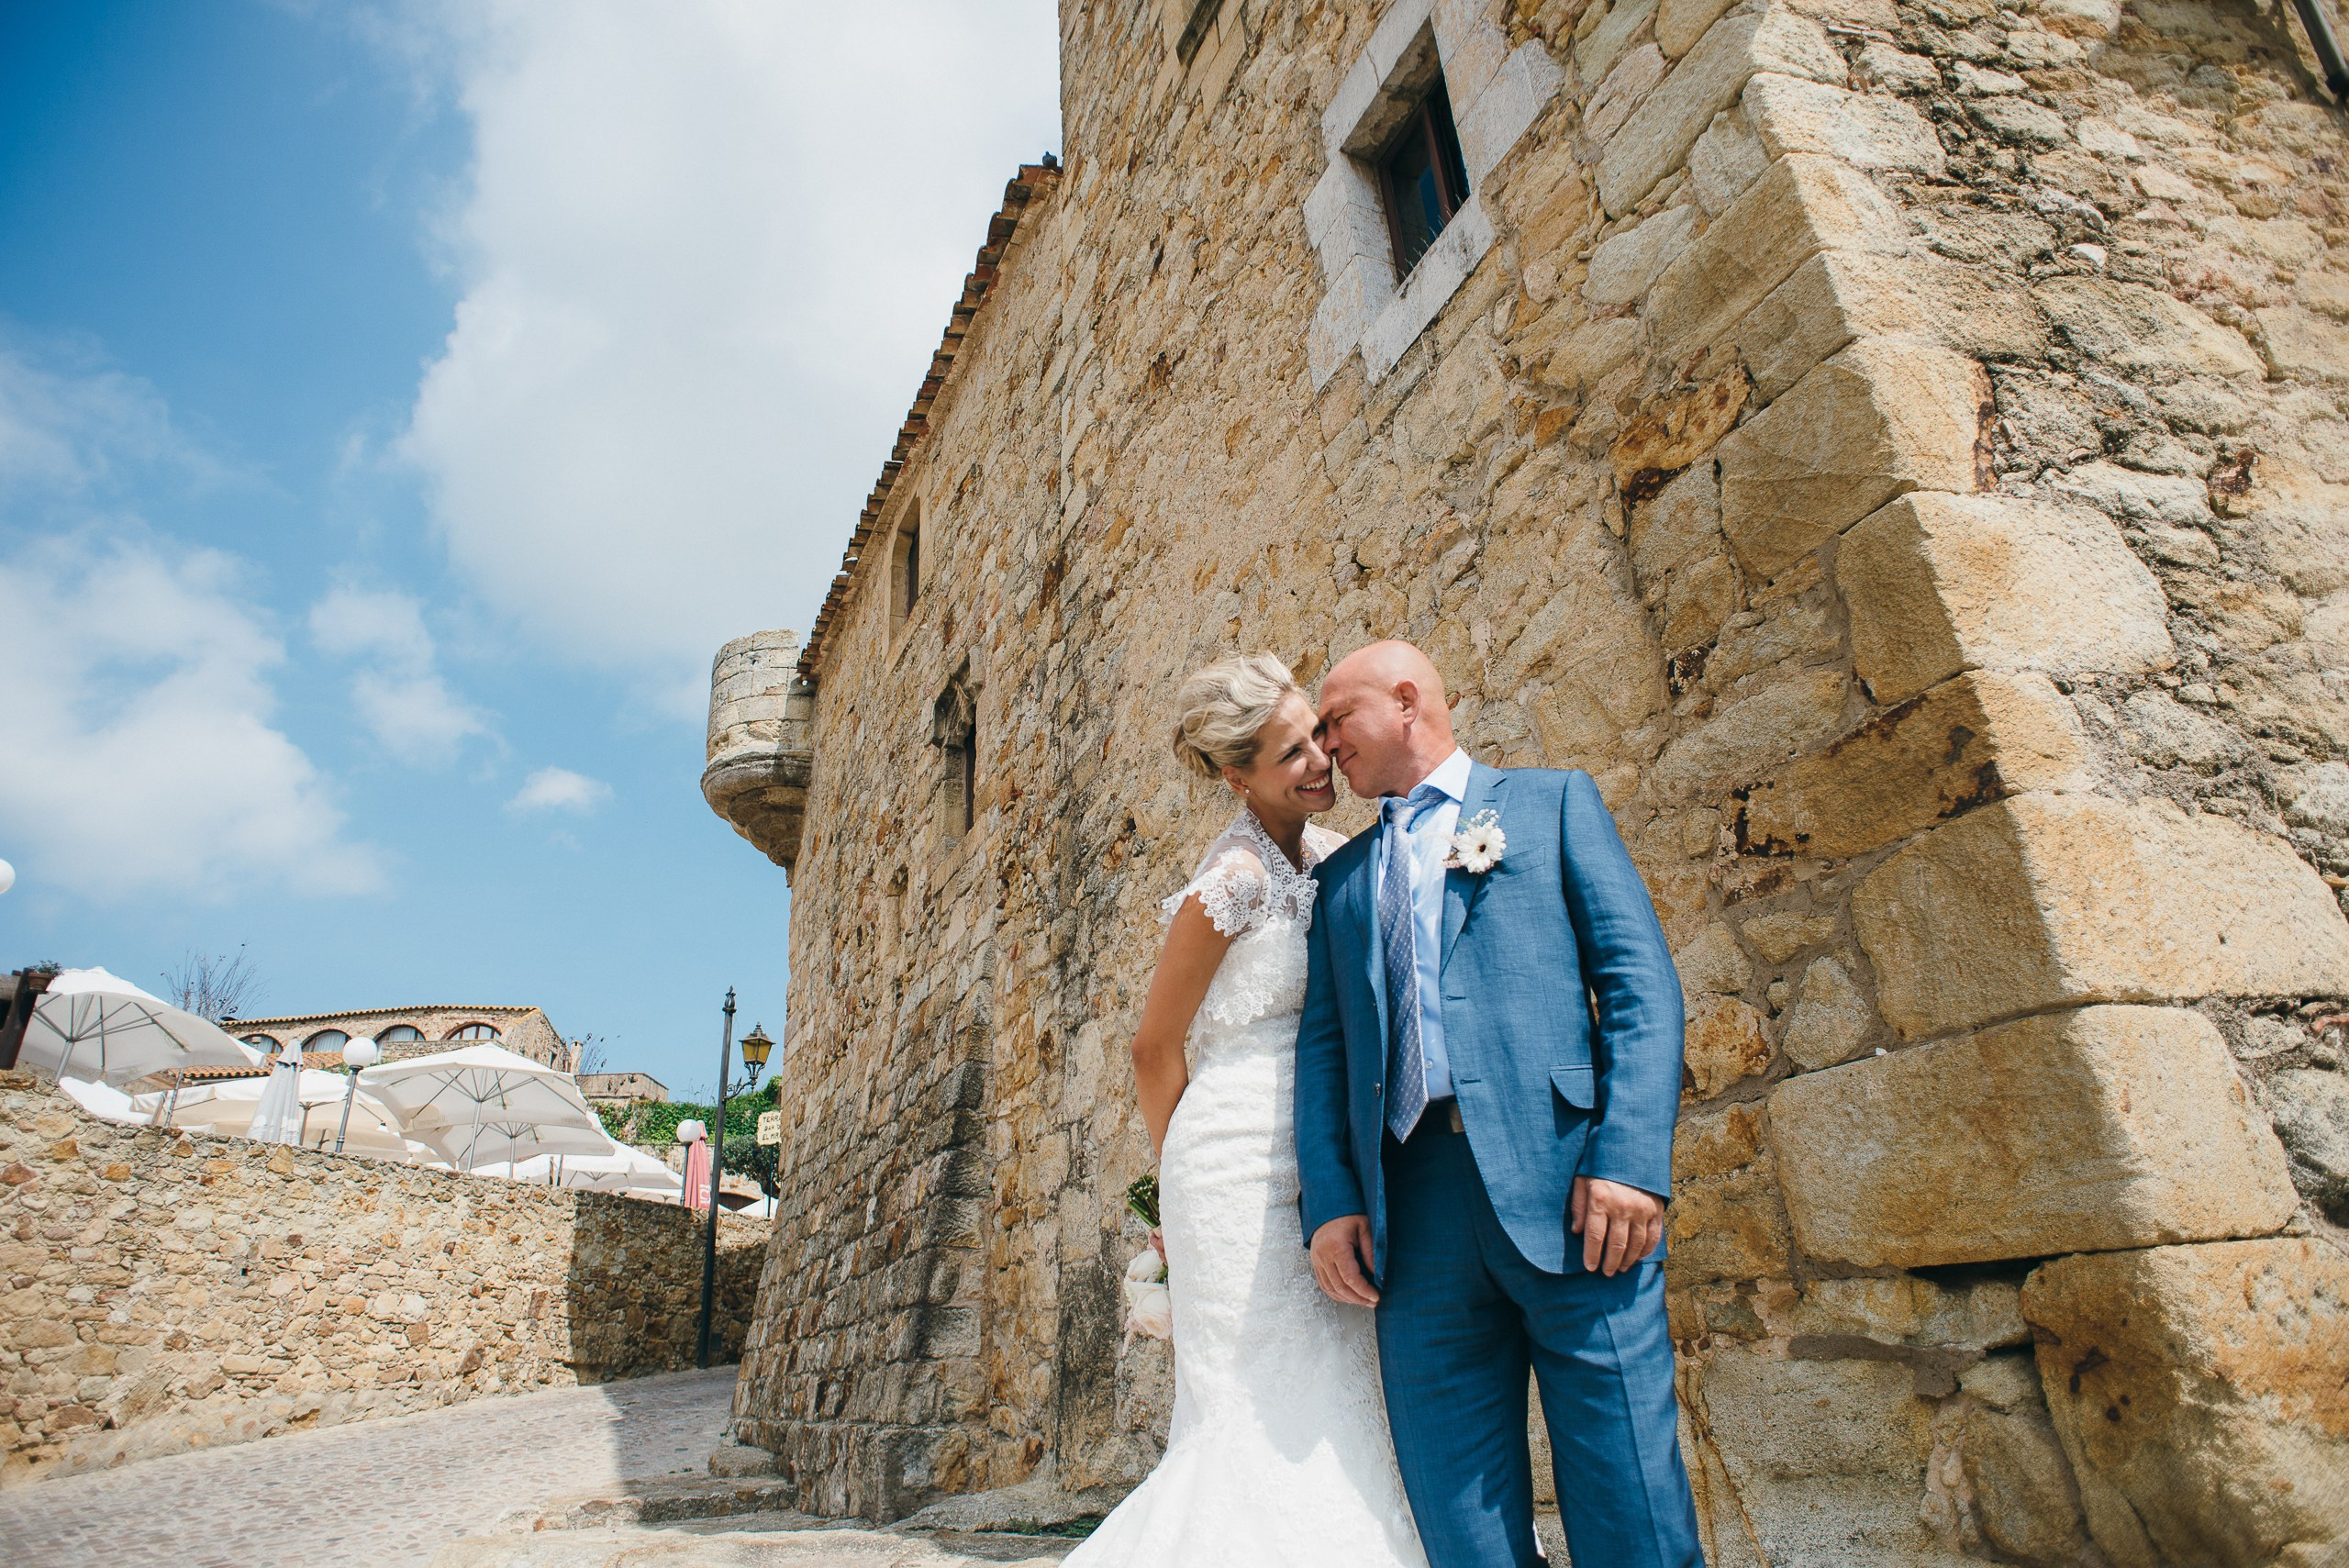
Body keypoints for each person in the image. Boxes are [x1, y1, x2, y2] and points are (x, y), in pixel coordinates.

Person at [1295, 639, 1702, 1568]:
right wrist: (1331, 1201)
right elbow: (1322, 1053)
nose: (1324, 748)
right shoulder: (1340, 882)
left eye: (1335, 720)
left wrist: (1630, 1160)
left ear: (1406, 701)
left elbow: (1638, 985)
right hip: (1414, 1210)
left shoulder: (1551, 804)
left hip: (1573, 1193)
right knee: (1460, 1519)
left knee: (1630, 1499)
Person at [1065, 653, 1426, 1568]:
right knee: (1247, 1396)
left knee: (1337, 1382)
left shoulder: (1337, 856)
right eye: (1288, 753)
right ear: (1236, 776)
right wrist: (1172, 1202)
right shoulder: (1226, 881)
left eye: (1315, 737)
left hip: (1323, 1158)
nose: (1318, 761)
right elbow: (1155, 1045)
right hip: (1226, 1162)